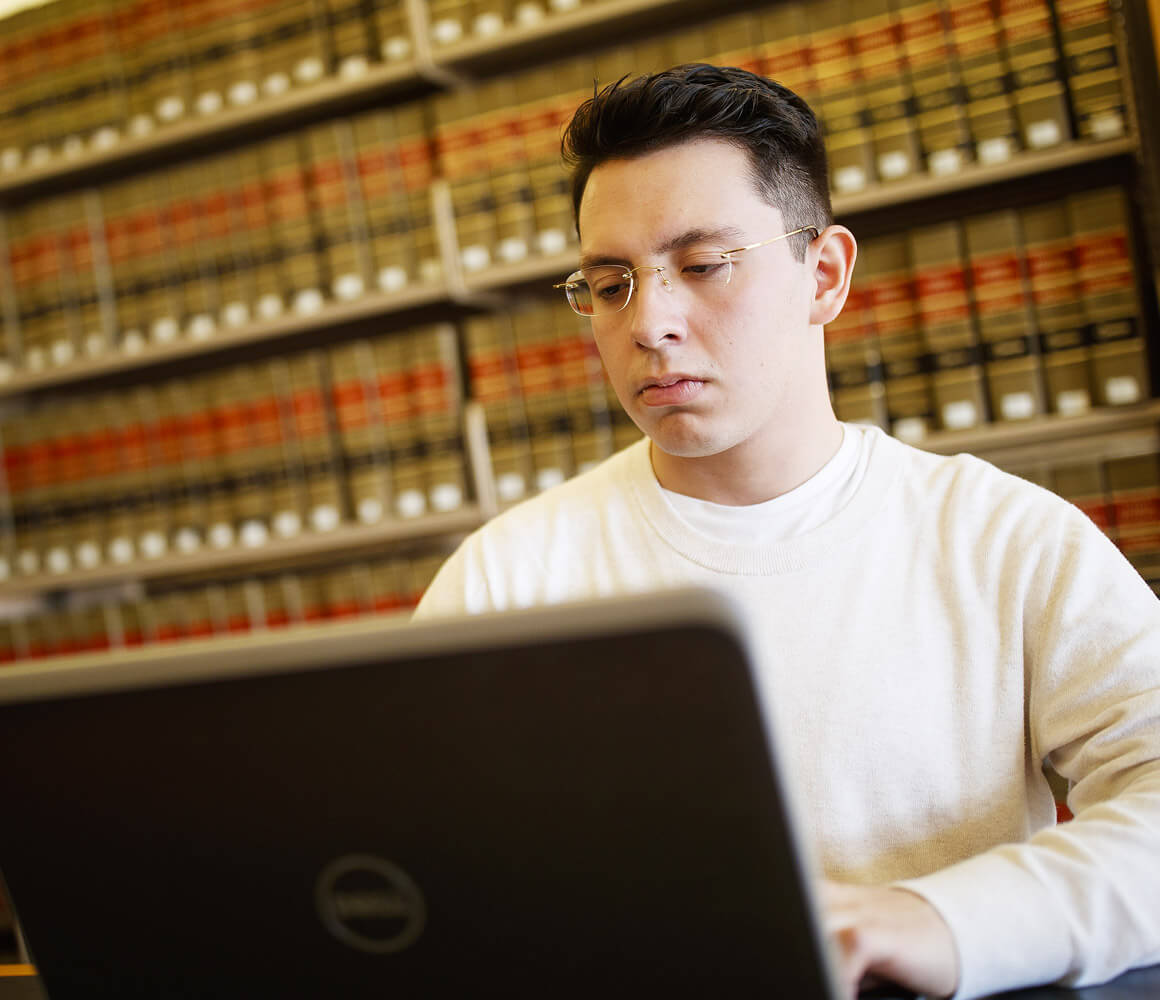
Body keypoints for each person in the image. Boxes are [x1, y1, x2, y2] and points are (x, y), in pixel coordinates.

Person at [412, 63, 1160, 998]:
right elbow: (411, 880)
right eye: (610, 284)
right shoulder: (505, 581)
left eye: (702, 266)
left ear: (826, 275)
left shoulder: (1005, 540)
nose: (652, 323)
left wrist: (935, 919)